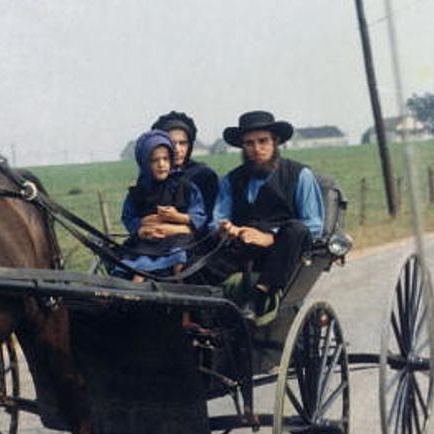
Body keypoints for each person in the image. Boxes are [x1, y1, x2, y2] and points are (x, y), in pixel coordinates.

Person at [205, 110, 325, 320]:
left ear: (275, 142)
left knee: (297, 229)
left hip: (282, 252)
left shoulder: (299, 175)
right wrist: (226, 229)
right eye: (249, 143)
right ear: (242, 147)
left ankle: (260, 295)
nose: (256, 149)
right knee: (195, 263)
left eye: (263, 141)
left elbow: (314, 225)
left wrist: (271, 237)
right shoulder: (230, 180)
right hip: (242, 248)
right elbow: (217, 220)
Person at [115, 129, 206, 279]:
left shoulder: (186, 187)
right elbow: (129, 218)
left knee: (180, 257)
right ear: (144, 162)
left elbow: (199, 215)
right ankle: (136, 294)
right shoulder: (138, 193)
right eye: (154, 160)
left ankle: (180, 288)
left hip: (178, 239)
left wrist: (178, 217)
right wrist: (141, 228)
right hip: (148, 240)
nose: (161, 164)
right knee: (140, 265)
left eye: (165, 159)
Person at [151, 110, 220, 221]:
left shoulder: (204, 175)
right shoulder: (152, 175)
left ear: (190, 145)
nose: (178, 150)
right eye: (172, 143)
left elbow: (211, 219)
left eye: (183, 143)